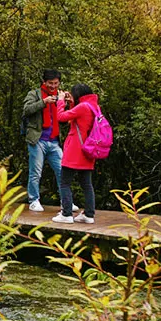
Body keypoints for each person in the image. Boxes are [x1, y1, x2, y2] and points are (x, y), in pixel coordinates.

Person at [52, 84, 100, 224]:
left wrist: (60, 101)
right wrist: (71, 102)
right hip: (88, 150)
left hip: (75, 150)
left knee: (65, 182)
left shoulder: (83, 107)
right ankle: (89, 215)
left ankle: (66, 214)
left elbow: (61, 117)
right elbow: (77, 117)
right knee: (86, 184)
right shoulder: (93, 106)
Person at [22, 69, 67, 213]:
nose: (53, 86)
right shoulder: (34, 94)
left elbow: (64, 119)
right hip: (37, 140)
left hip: (54, 141)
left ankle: (66, 201)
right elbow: (26, 110)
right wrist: (43, 102)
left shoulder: (60, 96)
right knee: (36, 172)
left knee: (62, 171)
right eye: (50, 83)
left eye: (56, 83)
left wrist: (68, 103)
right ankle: (34, 200)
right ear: (44, 82)